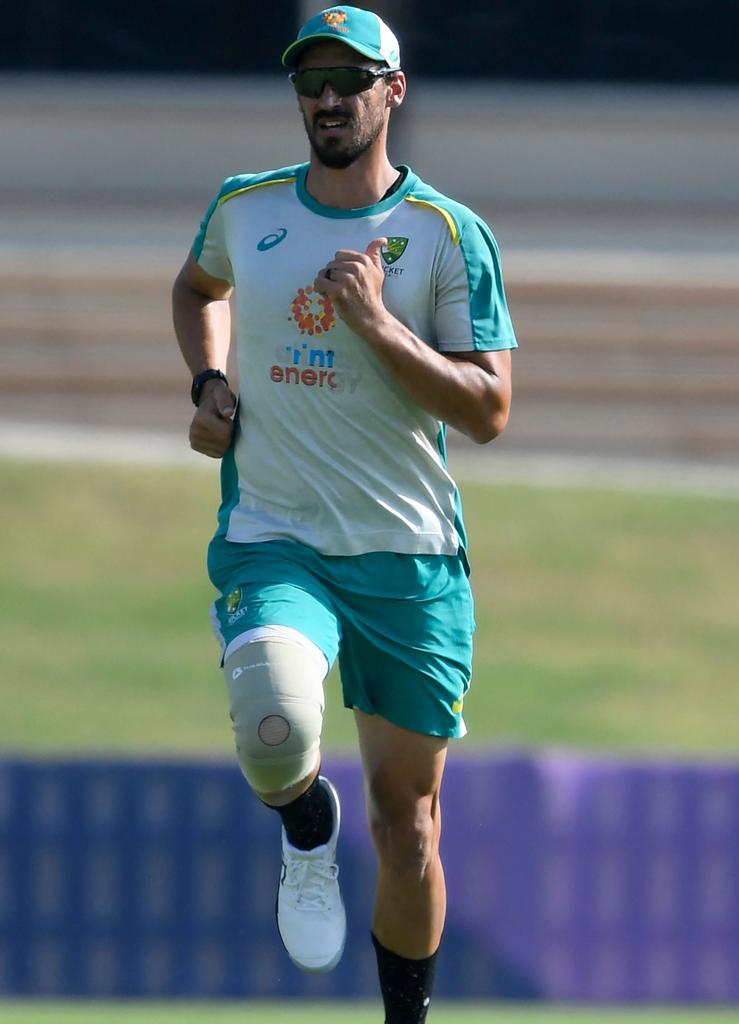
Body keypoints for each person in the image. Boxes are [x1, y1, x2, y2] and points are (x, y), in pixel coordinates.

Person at [172, 6, 516, 1021]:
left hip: (410, 558)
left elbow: (489, 408)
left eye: (349, 80)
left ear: (392, 93)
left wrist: (373, 324)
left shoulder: (446, 234)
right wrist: (209, 382)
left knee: (409, 824)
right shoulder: (246, 207)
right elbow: (199, 288)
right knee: (276, 720)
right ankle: (305, 826)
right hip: (276, 535)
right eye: (311, 81)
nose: (327, 99)